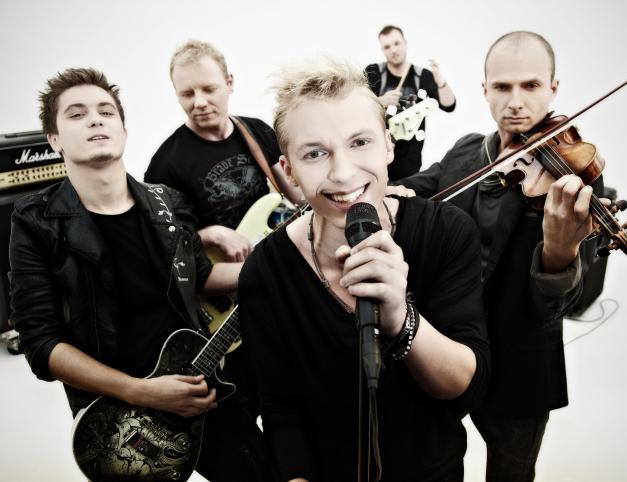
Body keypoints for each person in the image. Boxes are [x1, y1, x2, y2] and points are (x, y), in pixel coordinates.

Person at [9, 68, 273, 481]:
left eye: (106, 112)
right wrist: (140, 391)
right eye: (77, 114)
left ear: (123, 129)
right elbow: (41, 343)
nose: (95, 120)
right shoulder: (36, 222)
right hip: (123, 421)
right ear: (54, 139)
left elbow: (201, 278)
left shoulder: (167, 203)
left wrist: (275, 266)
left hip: (199, 382)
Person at [238, 58, 489, 481]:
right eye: (315, 153)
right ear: (289, 171)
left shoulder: (446, 232)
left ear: (388, 145)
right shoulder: (264, 272)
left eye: (359, 142)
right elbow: (281, 412)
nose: (343, 173)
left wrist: (401, 318)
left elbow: (464, 387)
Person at [393, 31, 605, 481]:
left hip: (520, 367)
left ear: (553, 89)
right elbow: (416, 188)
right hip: (445, 350)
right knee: (429, 466)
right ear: (484, 89)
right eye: (503, 87)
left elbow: (568, 302)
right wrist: (388, 187)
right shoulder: (467, 151)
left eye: (531, 85)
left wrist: (559, 252)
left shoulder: (572, 176)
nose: (516, 102)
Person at [145, 40, 301, 268]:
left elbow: (298, 196)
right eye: (187, 94)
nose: (199, 102)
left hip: (275, 255)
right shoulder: (165, 164)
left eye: (209, 89)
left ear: (229, 83)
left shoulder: (256, 131)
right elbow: (161, 241)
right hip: (224, 275)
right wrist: (212, 235)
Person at [365, 25, 456, 181]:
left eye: (396, 43)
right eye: (387, 47)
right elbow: (354, 107)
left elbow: (449, 105)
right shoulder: (373, 72)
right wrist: (380, 101)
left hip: (409, 161)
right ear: (382, 50)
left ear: (405, 43)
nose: (393, 50)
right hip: (376, 155)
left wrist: (440, 81)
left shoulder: (422, 76)